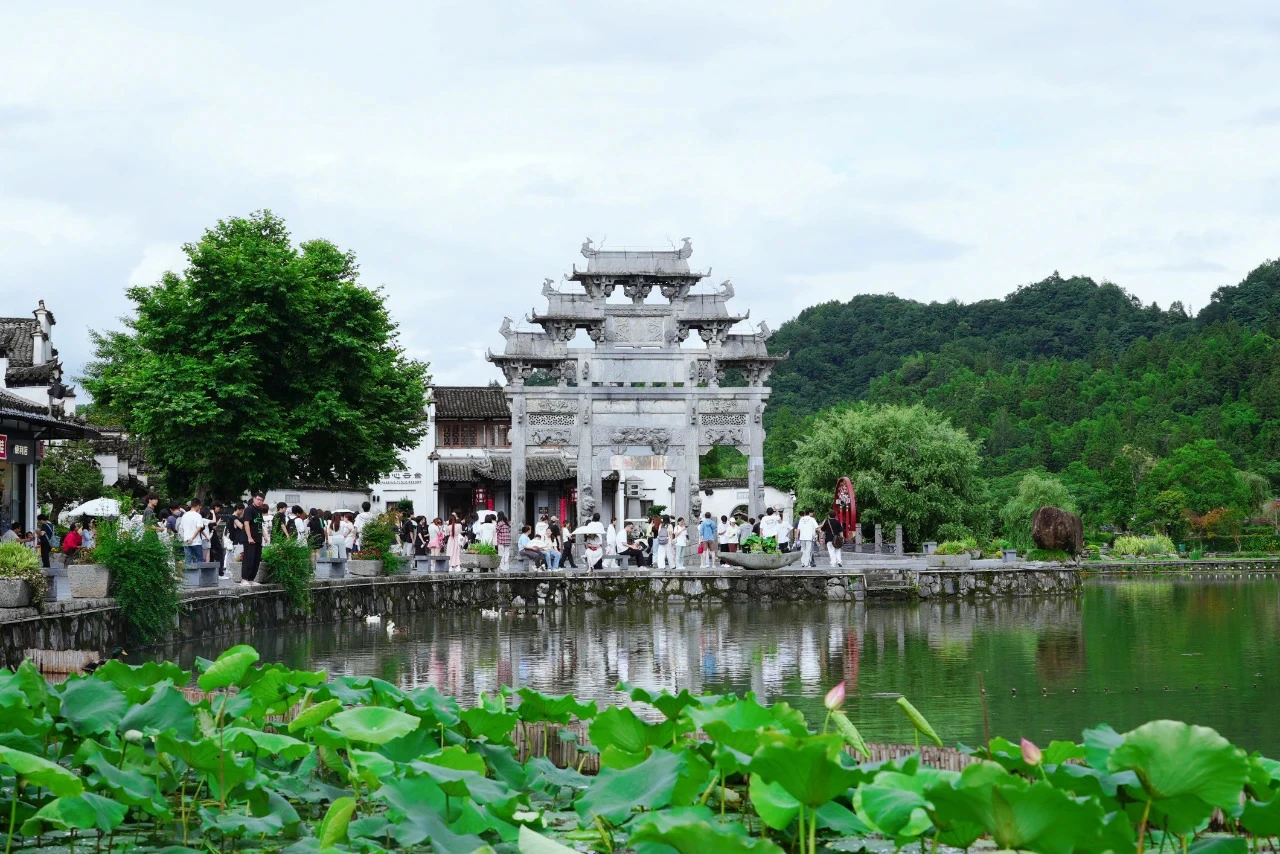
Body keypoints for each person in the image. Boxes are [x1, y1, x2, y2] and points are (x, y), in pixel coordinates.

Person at [240, 494, 265, 585]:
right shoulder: (249, 509)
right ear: (254, 499)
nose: (259, 501)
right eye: (258, 499)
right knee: (248, 558)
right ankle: (244, 579)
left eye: (261, 500)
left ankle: (251, 579)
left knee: (256, 559)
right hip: (249, 538)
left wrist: (264, 535)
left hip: (258, 538)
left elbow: (260, 524)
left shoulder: (259, 510)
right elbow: (246, 523)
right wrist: (249, 537)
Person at [180, 498, 207, 567]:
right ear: (197, 506)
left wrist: (186, 538)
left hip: (186, 541)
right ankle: (199, 577)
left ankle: (188, 577)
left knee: (187, 561)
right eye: (199, 506)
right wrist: (192, 538)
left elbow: (182, 528)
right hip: (196, 542)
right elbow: (199, 528)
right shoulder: (198, 516)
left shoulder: (184, 515)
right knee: (199, 560)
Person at [225, 503, 245, 576]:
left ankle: (234, 573)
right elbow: (241, 527)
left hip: (235, 540)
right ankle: (235, 573)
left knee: (236, 556)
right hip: (238, 540)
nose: (242, 512)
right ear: (238, 509)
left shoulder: (231, 518)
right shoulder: (234, 518)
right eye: (242, 510)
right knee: (237, 557)